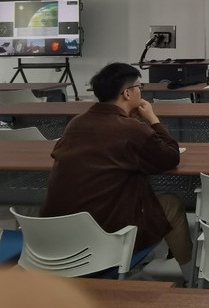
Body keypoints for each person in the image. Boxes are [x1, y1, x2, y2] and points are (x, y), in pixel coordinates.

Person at [41, 63, 193, 282]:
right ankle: (190, 278)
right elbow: (171, 156)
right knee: (172, 204)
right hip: (102, 236)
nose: (141, 91)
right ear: (127, 93)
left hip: (56, 237)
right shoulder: (131, 129)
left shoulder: (76, 123)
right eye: (139, 87)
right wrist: (153, 119)